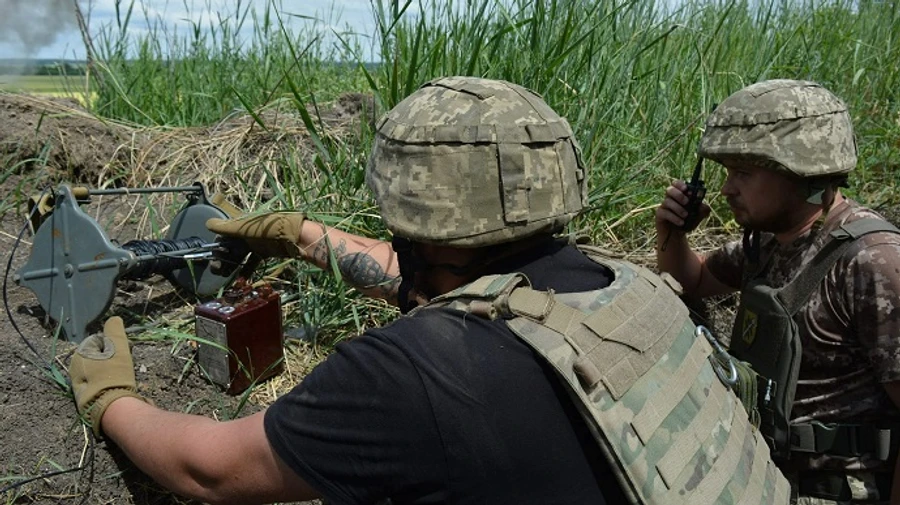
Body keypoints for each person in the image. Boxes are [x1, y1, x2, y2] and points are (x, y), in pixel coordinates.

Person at [69, 77, 783, 505]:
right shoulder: (629, 285)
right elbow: (476, 292)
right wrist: (300, 234)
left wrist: (112, 398)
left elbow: (207, 469)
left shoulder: (411, 375)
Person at [655, 79, 900, 504]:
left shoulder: (871, 261)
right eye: (727, 172)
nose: (728, 188)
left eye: (744, 174)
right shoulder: (769, 243)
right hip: (761, 478)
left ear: (801, 172)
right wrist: (671, 234)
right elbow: (692, 281)